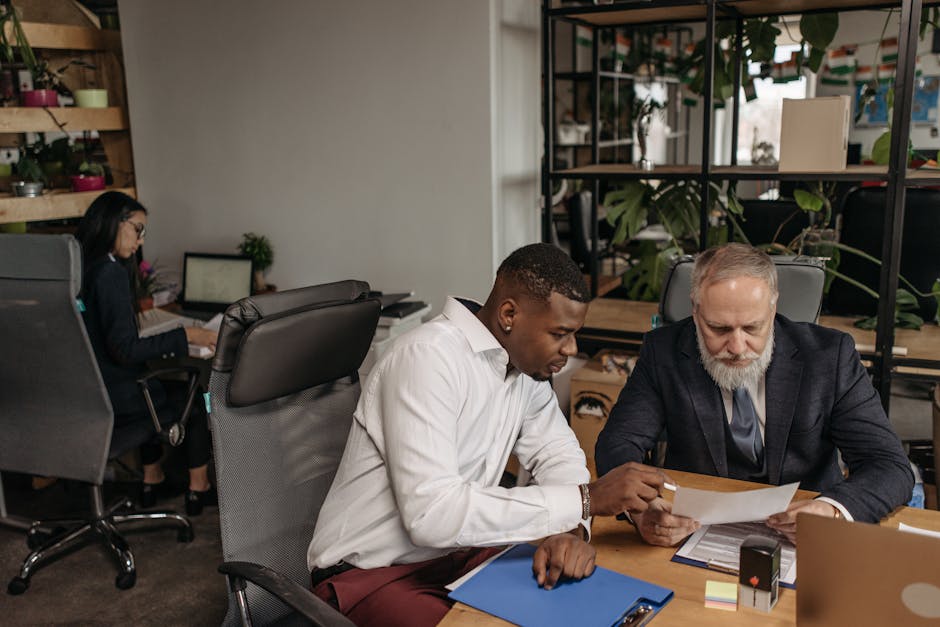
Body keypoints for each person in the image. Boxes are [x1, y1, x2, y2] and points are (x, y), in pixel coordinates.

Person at [307, 243, 672, 627]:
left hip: (457, 557)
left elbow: (556, 455)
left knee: (590, 609)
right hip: (371, 575)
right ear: (509, 314)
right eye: (560, 333)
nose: (571, 349)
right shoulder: (425, 358)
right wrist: (586, 500)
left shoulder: (524, 370)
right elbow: (432, 515)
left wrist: (571, 531)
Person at [595, 243, 914, 546]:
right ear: (695, 311)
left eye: (752, 328)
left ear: (773, 308)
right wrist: (641, 510)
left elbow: (888, 464)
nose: (736, 348)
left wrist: (831, 509)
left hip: (803, 536)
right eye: (718, 329)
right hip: (693, 531)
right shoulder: (663, 352)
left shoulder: (830, 357)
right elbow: (618, 444)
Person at [76, 191, 219, 516]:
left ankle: (151, 481)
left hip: (89, 394)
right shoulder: (110, 272)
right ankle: (198, 489)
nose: (140, 240)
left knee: (152, 388)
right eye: (137, 229)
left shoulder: (82, 266)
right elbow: (126, 350)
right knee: (193, 398)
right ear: (114, 222)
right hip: (118, 397)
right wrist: (186, 335)